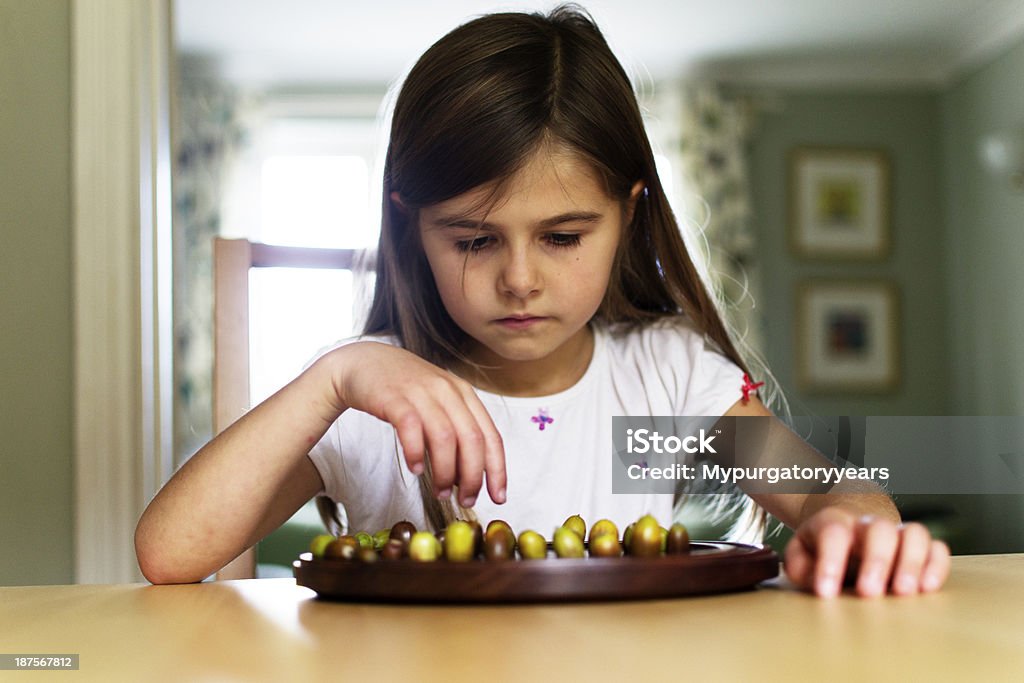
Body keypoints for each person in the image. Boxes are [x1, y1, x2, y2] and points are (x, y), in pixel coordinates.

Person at [135, 4, 950, 597]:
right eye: (473, 238)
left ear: (627, 214)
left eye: (562, 237)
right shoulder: (364, 399)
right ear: (410, 226)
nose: (519, 278)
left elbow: (823, 489)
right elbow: (169, 552)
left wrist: (857, 525)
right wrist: (332, 378)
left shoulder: (661, 383)